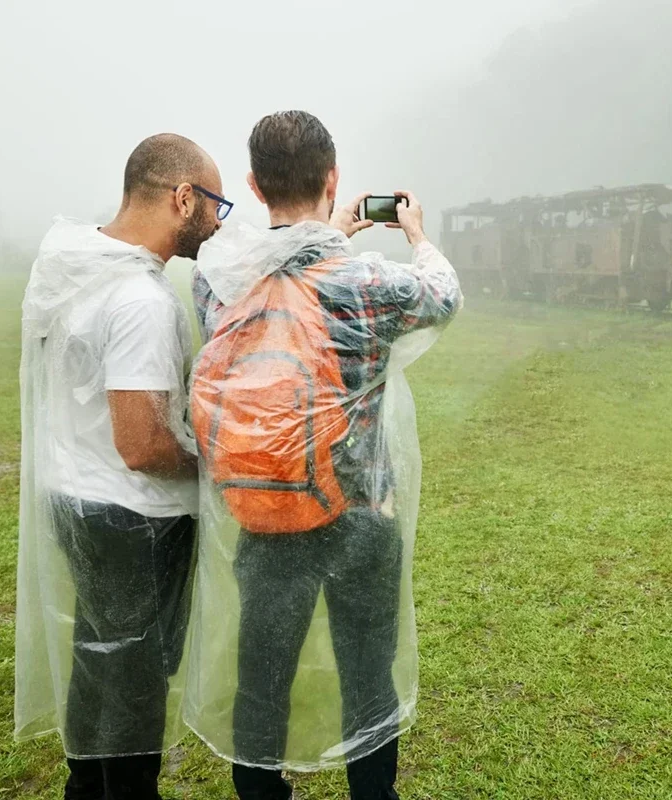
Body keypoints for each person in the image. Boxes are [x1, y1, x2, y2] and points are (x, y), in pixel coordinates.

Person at [185, 111, 462, 800]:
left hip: (265, 506)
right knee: (369, 671)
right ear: (333, 178)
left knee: (263, 672)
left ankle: (261, 792)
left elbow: (275, 286)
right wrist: (418, 235)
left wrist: (318, 236)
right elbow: (444, 296)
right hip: (361, 512)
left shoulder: (218, 281)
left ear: (253, 185)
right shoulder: (368, 281)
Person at [15, 133, 231, 800]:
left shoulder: (78, 265)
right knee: (136, 673)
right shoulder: (140, 299)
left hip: (72, 493)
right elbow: (141, 444)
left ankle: (85, 784)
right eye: (215, 204)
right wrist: (209, 469)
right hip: (132, 514)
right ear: (182, 197)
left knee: (98, 654)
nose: (220, 223)